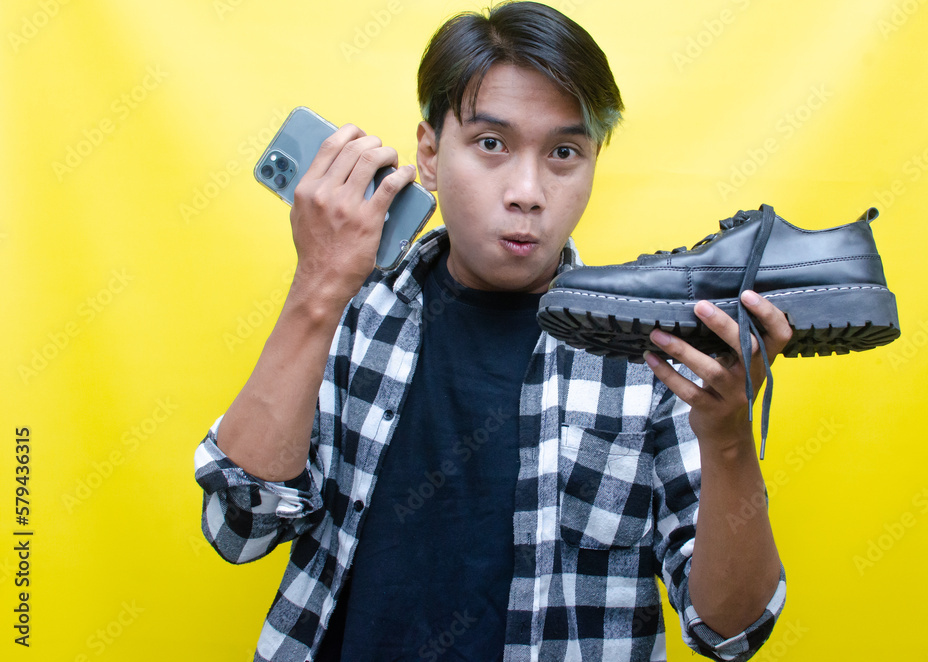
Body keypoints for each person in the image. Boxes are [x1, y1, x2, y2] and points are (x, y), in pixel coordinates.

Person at [194, 2, 788, 660]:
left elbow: (731, 631)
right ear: (429, 154)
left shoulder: (652, 351)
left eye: (564, 152)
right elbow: (238, 527)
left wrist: (729, 438)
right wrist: (317, 287)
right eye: (491, 144)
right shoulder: (346, 308)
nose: (527, 191)